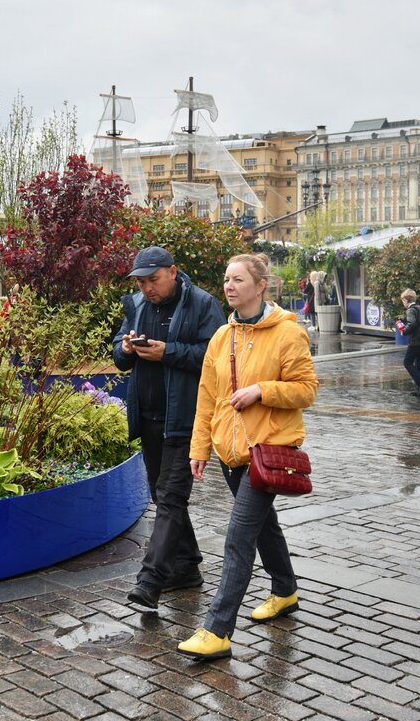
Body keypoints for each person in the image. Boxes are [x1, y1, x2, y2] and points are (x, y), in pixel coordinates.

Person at [177, 253, 318, 661]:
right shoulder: (223, 336)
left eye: (238, 279)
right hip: (231, 452)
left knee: (238, 538)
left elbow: (307, 388)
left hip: (270, 449)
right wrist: (200, 448)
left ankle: (217, 630)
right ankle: (285, 591)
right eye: (226, 279)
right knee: (263, 527)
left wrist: (263, 391)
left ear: (260, 285)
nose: (229, 286)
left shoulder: (287, 334)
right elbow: (207, 397)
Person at [112, 246, 224, 610]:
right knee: (164, 496)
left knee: (171, 496)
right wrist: (127, 349)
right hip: (148, 417)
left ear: (172, 272)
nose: (147, 288)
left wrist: (168, 352)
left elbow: (216, 357)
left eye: (153, 280)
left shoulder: (203, 304)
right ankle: (188, 566)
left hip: (185, 418)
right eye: (141, 281)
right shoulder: (136, 305)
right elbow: (117, 352)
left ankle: (151, 580)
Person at [398, 289, 420, 397]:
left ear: (405, 299)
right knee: (419, 364)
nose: (403, 303)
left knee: (407, 362)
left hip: (416, 341)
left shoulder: (411, 310)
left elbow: (412, 324)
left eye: (402, 300)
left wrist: (404, 331)